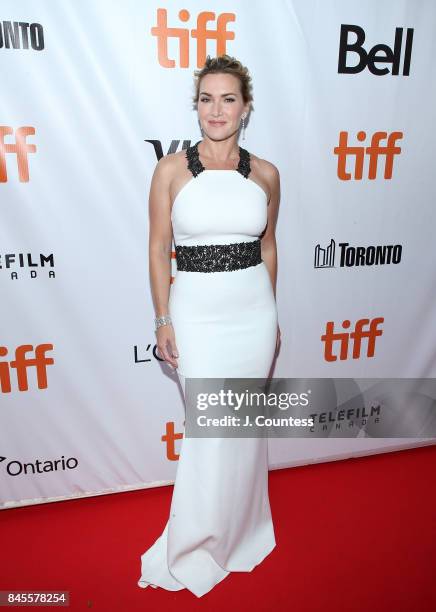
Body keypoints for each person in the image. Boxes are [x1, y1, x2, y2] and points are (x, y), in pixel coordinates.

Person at [137, 54, 281, 598]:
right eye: (206, 98)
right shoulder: (170, 170)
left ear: (245, 108)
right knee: (208, 428)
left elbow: (268, 248)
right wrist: (162, 318)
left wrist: (274, 315)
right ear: (195, 107)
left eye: (228, 99)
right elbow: (157, 249)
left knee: (242, 429)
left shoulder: (266, 173)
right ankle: (196, 542)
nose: (216, 110)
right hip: (195, 312)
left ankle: (243, 529)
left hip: (252, 314)